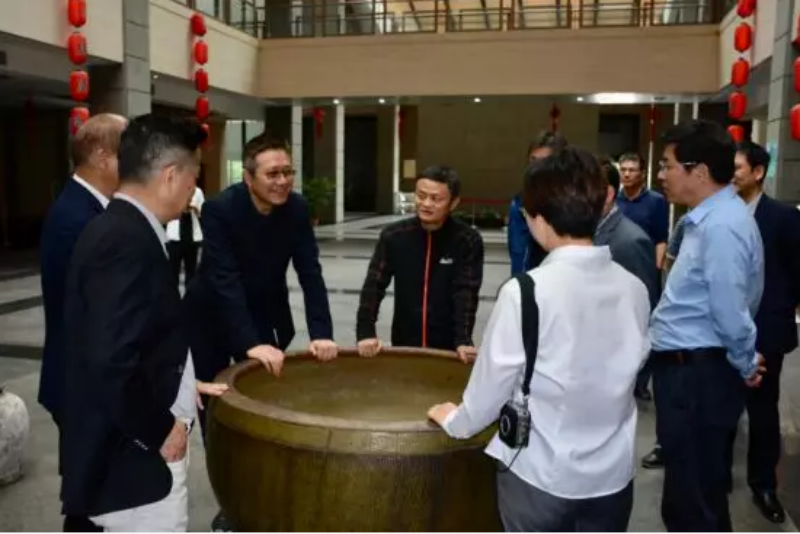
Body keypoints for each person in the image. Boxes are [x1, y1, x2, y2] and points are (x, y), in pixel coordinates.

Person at [428, 147, 651, 532]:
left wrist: (455, 420)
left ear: (538, 219)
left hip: (541, 476)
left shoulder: (525, 292)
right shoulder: (634, 288)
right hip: (612, 478)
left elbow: (489, 390)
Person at [61, 114, 225, 531]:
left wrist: (184, 381)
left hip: (139, 451)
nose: (193, 189)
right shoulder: (122, 239)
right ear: (170, 175)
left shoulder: (130, 228)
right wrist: (161, 429)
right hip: (135, 465)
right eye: (193, 177)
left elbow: (135, 334)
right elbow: (110, 359)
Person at [183, 134, 337, 531]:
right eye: (273, 174)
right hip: (211, 317)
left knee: (262, 402)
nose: (283, 181)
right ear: (249, 177)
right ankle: (230, 499)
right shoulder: (220, 210)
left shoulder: (296, 208)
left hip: (266, 313)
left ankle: (263, 486)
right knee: (217, 410)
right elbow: (225, 281)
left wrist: (321, 331)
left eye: (288, 172)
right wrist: (249, 343)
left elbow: (310, 271)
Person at [649, 120, 765, 532]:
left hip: (698, 377)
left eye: (667, 165)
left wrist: (745, 361)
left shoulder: (721, 227)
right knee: (689, 494)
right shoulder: (709, 220)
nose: (661, 175)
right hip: (691, 371)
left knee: (695, 504)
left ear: (698, 171)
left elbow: (731, 310)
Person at [38, 113, 126, 533]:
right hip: (82, 384)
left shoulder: (92, 208)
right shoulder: (78, 219)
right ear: (102, 155)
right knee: (89, 502)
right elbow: (97, 314)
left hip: (86, 379)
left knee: (96, 493)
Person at [727, 140, 800, 523]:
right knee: (722, 404)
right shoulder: (720, 214)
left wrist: (783, 310)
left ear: (758, 172)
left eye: (737, 167)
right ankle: (718, 473)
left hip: (766, 331)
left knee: (762, 412)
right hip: (724, 329)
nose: (731, 173)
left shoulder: (783, 218)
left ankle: (763, 485)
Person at [356, 166, 484, 363]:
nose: (426, 204)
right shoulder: (394, 236)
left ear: (453, 203)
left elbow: (466, 292)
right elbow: (374, 285)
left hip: (448, 348)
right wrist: (365, 332)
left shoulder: (466, 240)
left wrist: (463, 339)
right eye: (421, 196)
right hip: (404, 344)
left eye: (436, 199)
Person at [507, 131, 567, 274]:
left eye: (544, 162)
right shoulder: (520, 203)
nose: (535, 168)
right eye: (533, 161)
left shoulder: (576, 202)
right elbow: (518, 255)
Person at [616, 152, 670, 270]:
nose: (626, 174)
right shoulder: (613, 200)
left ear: (643, 174)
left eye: (632, 170)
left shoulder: (656, 201)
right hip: (616, 264)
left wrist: (657, 269)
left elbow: (661, 240)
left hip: (644, 265)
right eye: (623, 170)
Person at [166, 182, 205, 287]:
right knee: (172, 272)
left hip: (192, 237)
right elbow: (166, 209)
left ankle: (190, 296)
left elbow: (203, 212)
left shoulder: (198, 192)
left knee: (191, 272)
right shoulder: (171, 189)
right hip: (175, 237)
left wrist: (194, 208)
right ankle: (172, 296)